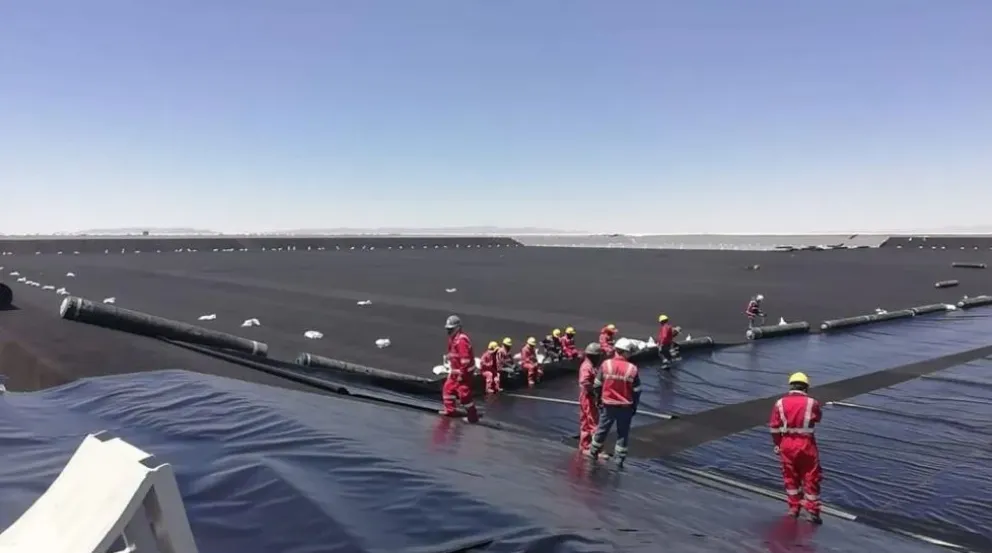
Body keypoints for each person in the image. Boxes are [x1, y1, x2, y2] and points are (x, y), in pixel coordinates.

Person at [769, 372, 823, 523]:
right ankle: (813, 510)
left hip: (787, 444)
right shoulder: (812, 403)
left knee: (790, 476)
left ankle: (794, 508)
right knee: (811, 476)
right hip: (806, 444)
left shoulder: (780, 403)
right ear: (806, 387)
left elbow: (773, 427)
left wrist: (778, 444)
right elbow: (818, 418)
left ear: (791, 386)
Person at [588, 338, 642, 466]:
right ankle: (619, 461)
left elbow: (596, 385)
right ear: (625, 352)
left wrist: (598, 400)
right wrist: (634, 406)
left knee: (601, 431)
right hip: (625, 407)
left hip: (608, 405)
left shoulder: (606, 365)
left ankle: (593, 454)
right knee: (622, 434)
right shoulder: (632, 369)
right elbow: (637, 391)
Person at [441, 315, 479, 423]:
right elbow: (453, 353)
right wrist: (449, 358)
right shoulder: (452, 339)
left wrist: (461, 374)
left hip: (464, 373)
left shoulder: (462, 340)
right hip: (455, 371)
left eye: (450, 329)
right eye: (448, 329)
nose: (449, 331)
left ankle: (472, 417)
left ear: (457, 328)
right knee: (447, 390)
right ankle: (450, 411)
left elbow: (465, 361)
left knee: (464, 395)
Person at [578, 342, 604, 453]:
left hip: (586, 396)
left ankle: (585, 446)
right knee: (594, 423)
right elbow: (584, 381)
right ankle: (596, 449)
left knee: (586, 423)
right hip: (588, 397)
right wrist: (594, 392)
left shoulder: (590, 366)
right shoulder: (587, 367)